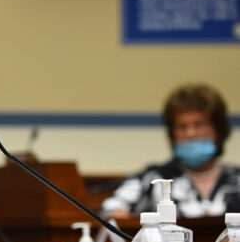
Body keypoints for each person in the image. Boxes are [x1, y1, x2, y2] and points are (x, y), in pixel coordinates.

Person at [102, 83, 240, 219]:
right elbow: (109, 210)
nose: (190, 134)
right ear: (172, 134)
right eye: (182, 126)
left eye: (199, 124)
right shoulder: (152, 178)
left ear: (218, 129)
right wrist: (116, 215)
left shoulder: (236, 180)